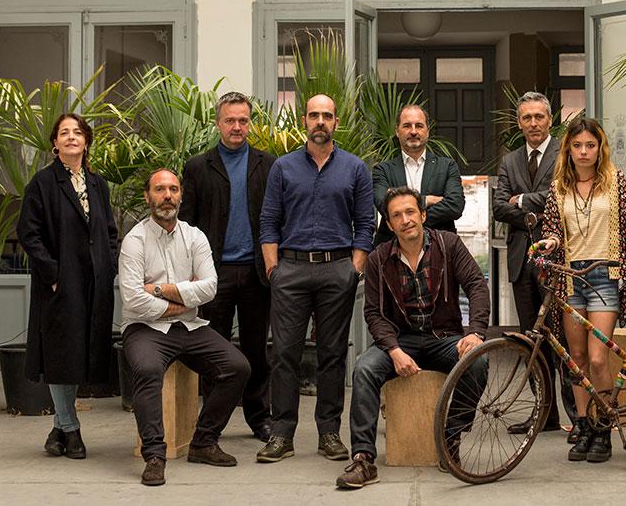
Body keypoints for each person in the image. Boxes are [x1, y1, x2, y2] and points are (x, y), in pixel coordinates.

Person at [336, 187, 490, 489]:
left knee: (478, 362)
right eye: (396, 216)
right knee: (364, 369)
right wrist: (393, 350)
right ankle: (363, 459)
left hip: (443, 337)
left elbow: (476, 285)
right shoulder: (380, 257)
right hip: (401, 339)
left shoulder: (449, 245)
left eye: (410, 212)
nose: (405, 220)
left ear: (422, 215)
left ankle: (451, 439)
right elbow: (374, 314)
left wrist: (476, 332)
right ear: (390, 225)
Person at [257, 93, 375, 463]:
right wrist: (274, 268)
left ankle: (329, 433)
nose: (320, 121)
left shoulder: (355, 168)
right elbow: (268, 221)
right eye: (313, 115)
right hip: (290, 270)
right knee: (285, 354)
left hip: (336, 270)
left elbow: (366, 223)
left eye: (327, 115)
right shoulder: (283, 167)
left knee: (332, 355)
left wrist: (354, 267)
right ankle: (282, 434)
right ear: (304, 121)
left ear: (336, 122)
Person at [119, 169, 251, 487]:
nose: (167, 195)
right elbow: (133, 298)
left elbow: (209, 288)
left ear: (180, 196)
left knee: (238, 367)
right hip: (144, 328)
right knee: (148, 370)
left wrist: (161, 290)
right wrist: (179, 299)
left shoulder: (194, 237)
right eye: (160, 189)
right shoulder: (134, 240)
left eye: (173, 189)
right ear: (148, 197)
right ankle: (154, 455)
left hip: (189, 324)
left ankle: (204, 441)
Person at [537, 117, 626, 463]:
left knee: (599, 358)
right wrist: (548, 241)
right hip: (572, 278)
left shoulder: (614, 181)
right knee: (577, 360)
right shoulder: (559, 187)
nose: (583, 152)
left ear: (599, 148)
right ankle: (583, 425)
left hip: (605, 276)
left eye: (590, 145)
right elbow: (554, 229)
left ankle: (602, 427)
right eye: (577, 146)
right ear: (567, 150)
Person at [17, 113, 118, 460]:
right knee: (62, 353)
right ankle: (71, 429)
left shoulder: (97, 183)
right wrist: (53, 272)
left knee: (79, 353)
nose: (72, 137)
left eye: (77, 132)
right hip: (61, 283)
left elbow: (109, 232)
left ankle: (57, 429)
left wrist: (110, 265)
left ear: (86, 141)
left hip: (95, 282)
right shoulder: (43, 183)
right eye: (64, 133)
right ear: (55, 144)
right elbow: (28, 234)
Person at [180, 91, 276, 441]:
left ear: (250, 123)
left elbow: (275, 218)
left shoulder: (268, 165)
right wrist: (189, 272)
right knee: (211, 349)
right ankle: (212, 421)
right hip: (211, 275)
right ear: (218, 123)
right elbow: (185, 226)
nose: (236, 127)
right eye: (229, 120)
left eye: (242, 120)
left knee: (255, 349)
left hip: (254, 273)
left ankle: (258, 417)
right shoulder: (197, 167)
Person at [492, 91, 577, 438]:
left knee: (566, 342)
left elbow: (564, 194)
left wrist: (524, 200)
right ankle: (545, 415)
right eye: (526, 118)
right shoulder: (510, 160)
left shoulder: (564, 153)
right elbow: (499, 206)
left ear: (549, 119)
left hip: (557, 260)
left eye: (538, 117)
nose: (533, 124)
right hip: (520, 262)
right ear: (519, 123)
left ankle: (579, 417)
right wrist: (535, 211)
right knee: (533, 343)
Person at [372, 104, 464, 245]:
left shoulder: (447, 166)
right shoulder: (382, 170)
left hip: (440, 248)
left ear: (427, 131)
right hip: (391, 251)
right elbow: (383, 204)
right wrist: (426, 200)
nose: (413, 131)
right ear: (397, 131)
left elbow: (455, 206)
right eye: (407, 126)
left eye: (419, 126)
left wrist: (403, 215)